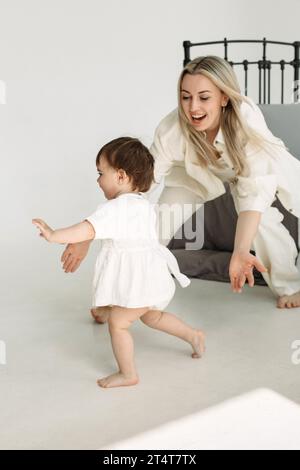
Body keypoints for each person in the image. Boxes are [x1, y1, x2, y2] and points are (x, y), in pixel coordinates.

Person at [61, 56, 300, 309]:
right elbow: (138, 183)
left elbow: (254, 191)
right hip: (196, 175)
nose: (193, 107)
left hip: (263, 169)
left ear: (224, 98)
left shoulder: (246, 118)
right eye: (186, 97)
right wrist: (87, 235)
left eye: (204, 97)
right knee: (154, 224)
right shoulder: (171, 129)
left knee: (262, 220)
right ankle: (121, 299)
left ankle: (291, 286)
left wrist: (241, 251)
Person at [32, 137, 205, 389]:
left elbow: (86, 230)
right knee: (152, 316)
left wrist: (53, 234)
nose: (98, 180)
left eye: (101, 173)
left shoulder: (114, 209)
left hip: (137, 278)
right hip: (150, 274)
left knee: (119, 323)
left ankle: (128, 373)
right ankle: (193, 335)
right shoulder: (142, 204)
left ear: (121, 176)